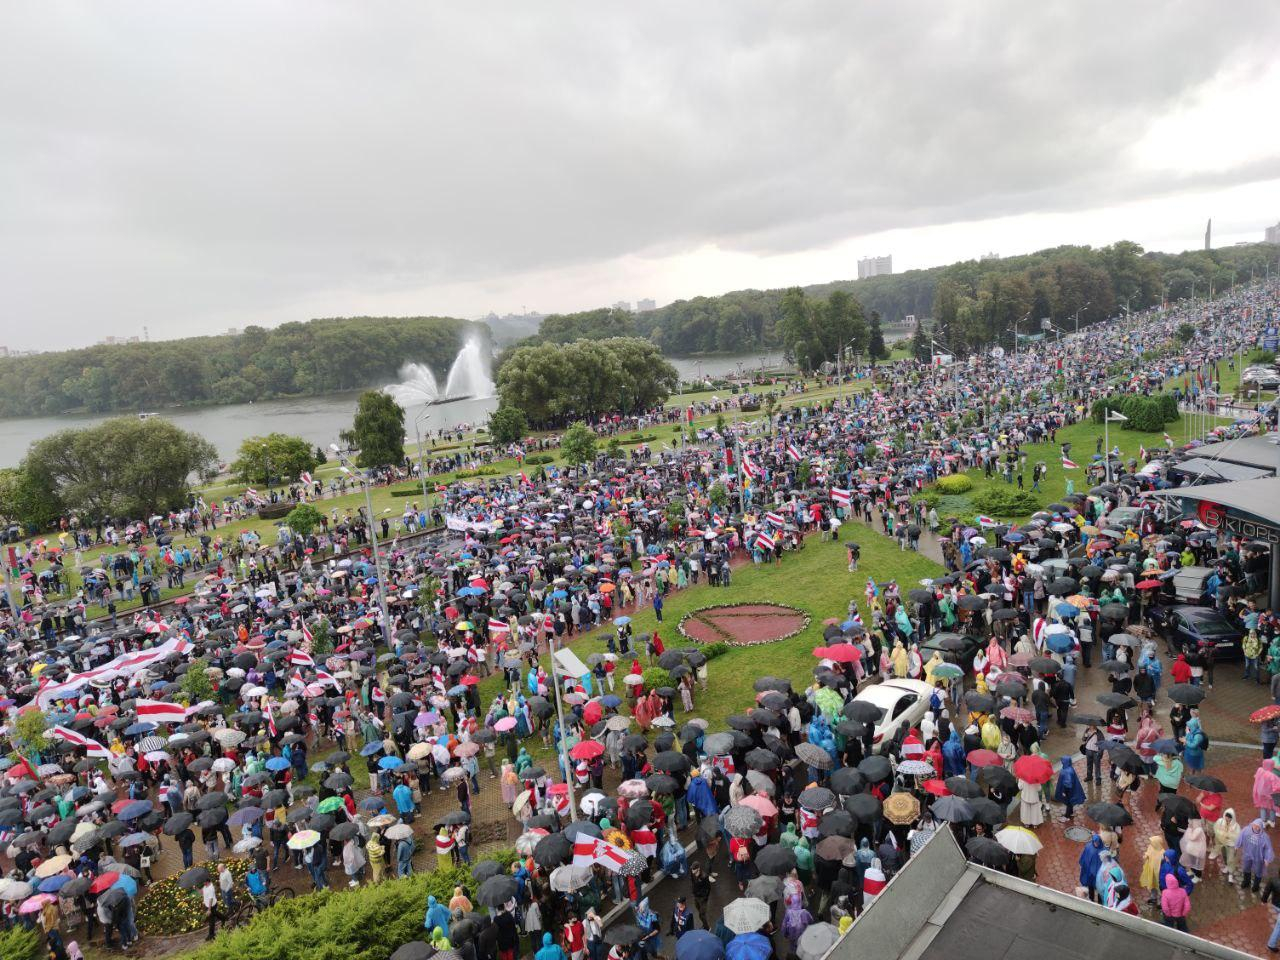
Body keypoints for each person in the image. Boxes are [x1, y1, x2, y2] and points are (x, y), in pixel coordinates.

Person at [1238, 818, 1275, 894]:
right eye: (1255, 825)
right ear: (1252, 824)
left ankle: (1256, 885)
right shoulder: (1246, 830)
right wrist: (1237, 845)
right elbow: (1240, 836)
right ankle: (1246, 881)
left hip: (1258, 857)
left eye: (1258, 826)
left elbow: (1268, 848)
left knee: (1259, 871)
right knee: (1246, 868)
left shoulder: (1265, 837)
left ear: (1261, 827)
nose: (1256, 827)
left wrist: (1267, 859)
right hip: (1247, 854)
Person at [1053, 756, 1085, 822]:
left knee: (1068, 802)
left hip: (1068, 790)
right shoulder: (1070, 768)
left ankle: (1067, 816)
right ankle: (1071, 812)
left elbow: (1067, 783)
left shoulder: (1066, 771)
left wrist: (1064, 791)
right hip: (1072, 789)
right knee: (1070, 801)